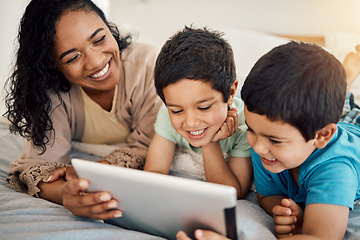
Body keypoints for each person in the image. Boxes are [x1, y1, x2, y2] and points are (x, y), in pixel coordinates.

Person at [176, 43, 360, 240]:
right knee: (330, 107)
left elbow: (320, 237)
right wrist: (284, 210)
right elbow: (266, 196)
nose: (257, 147)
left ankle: (347, 73)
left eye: (275, 140)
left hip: (353, 127)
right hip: (316, 128)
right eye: (251, 129)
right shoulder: (265, 144)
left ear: (322, 136)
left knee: (345, 108)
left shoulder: (336, 169)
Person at [4, 0, 161, 220]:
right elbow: (36, 167)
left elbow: (152, 144)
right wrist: (64, 194)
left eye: (99, 39)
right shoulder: (53, 93)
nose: (96, 62)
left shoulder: (147, 64)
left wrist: (98, 169)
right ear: (53, 66)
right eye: (72, 57)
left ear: (109, 28)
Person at [143, 26, 253, 199]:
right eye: (177, 110)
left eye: (203, 107)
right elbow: (154, 172)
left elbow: (233, 192)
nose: (191, 122)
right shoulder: (166, 113)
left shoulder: (247, 125)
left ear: (231, 93)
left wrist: (209, 143)